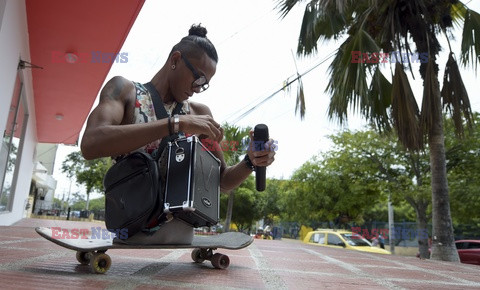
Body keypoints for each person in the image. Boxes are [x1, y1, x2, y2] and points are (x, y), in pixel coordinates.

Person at [80, 24, 276, 244]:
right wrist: (175, 124)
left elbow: (221, 181)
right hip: (131, 228)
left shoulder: (199, 114)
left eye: (205, 84)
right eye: (198, 78)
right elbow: (90, 143)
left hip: (181, 235)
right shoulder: (124, 91)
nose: (197, 88)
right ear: (175, 60)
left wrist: (250, 161)